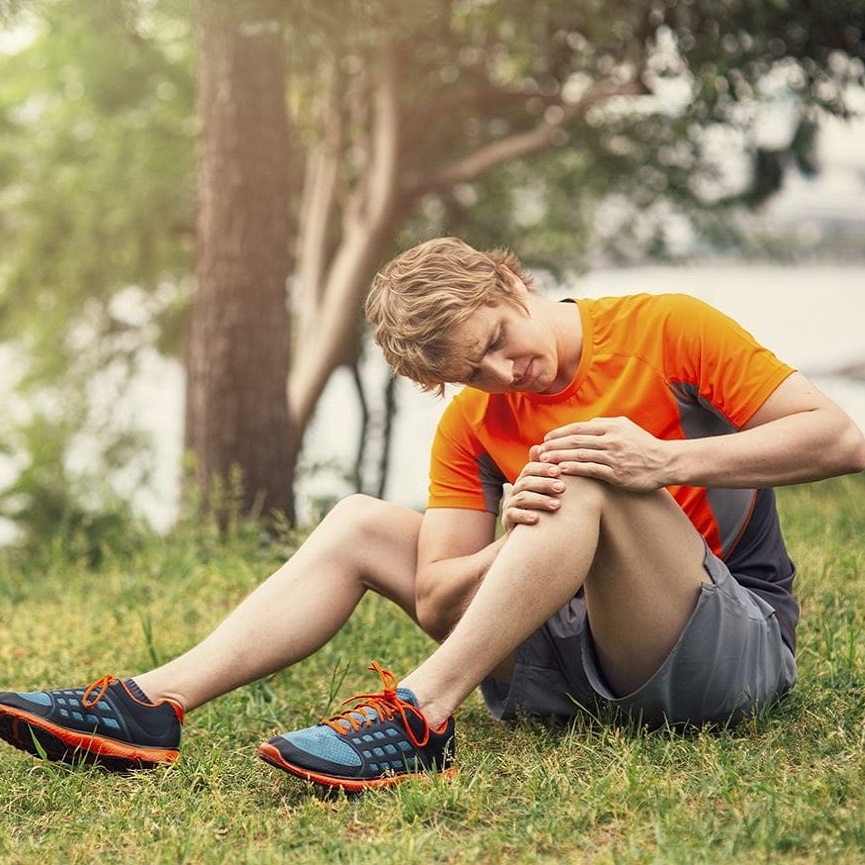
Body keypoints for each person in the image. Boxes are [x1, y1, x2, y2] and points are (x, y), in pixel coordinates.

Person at [1, 237, 863, 791]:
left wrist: (664, 461)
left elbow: (838, 438)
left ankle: (418, 718)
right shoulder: (474, 423)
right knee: (357, 519)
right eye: (470, 371)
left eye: (494, 339)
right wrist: (508, 538)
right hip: (567, 673)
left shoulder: (667, 327)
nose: (502, 375)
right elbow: (438, 596)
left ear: (507, 278)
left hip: (727, 648)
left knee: (584, 467)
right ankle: (150, 707)